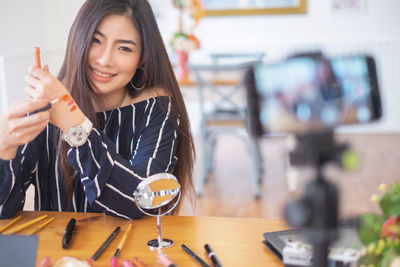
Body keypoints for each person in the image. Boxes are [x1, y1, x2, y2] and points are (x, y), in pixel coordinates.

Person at [0, 0, 195, 219]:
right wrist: (4, 148)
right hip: (58, 252)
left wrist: (75, 126)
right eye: (95, 40)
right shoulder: (46, 105)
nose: (104, 60)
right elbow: (3, 210)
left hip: (131, 251)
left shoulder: (158, 108)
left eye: (124, 48)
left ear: (143, 57)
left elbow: (142, 203)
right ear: (78, 39)